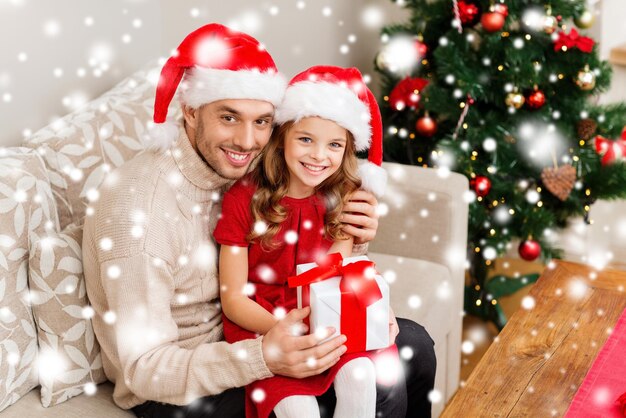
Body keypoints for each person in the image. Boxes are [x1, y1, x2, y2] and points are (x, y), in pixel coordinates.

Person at [83, 23, 436, 418]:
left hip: (265, 322)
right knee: (374, 387)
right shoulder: (140, 213)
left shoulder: (251, 166)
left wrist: (355, 246)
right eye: (229, 118)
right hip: (185, 382)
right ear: (190, 111)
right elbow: (142, 371)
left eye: (262, 122)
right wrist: (265, 356)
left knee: (414, 348)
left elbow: (301, 232)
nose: (248, 141)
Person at [214, 65, 397, 418]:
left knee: (361, 375)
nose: (318, 156)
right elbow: (233, 297)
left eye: (334, 145)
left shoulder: (343, 196)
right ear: (282, 136)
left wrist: (370, 309)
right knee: (297, 408)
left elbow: (335, 274)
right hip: (266, 323)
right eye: (306, 139)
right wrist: (286, 330)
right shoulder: (242, 199)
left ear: (346, 150)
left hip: (325, 315)